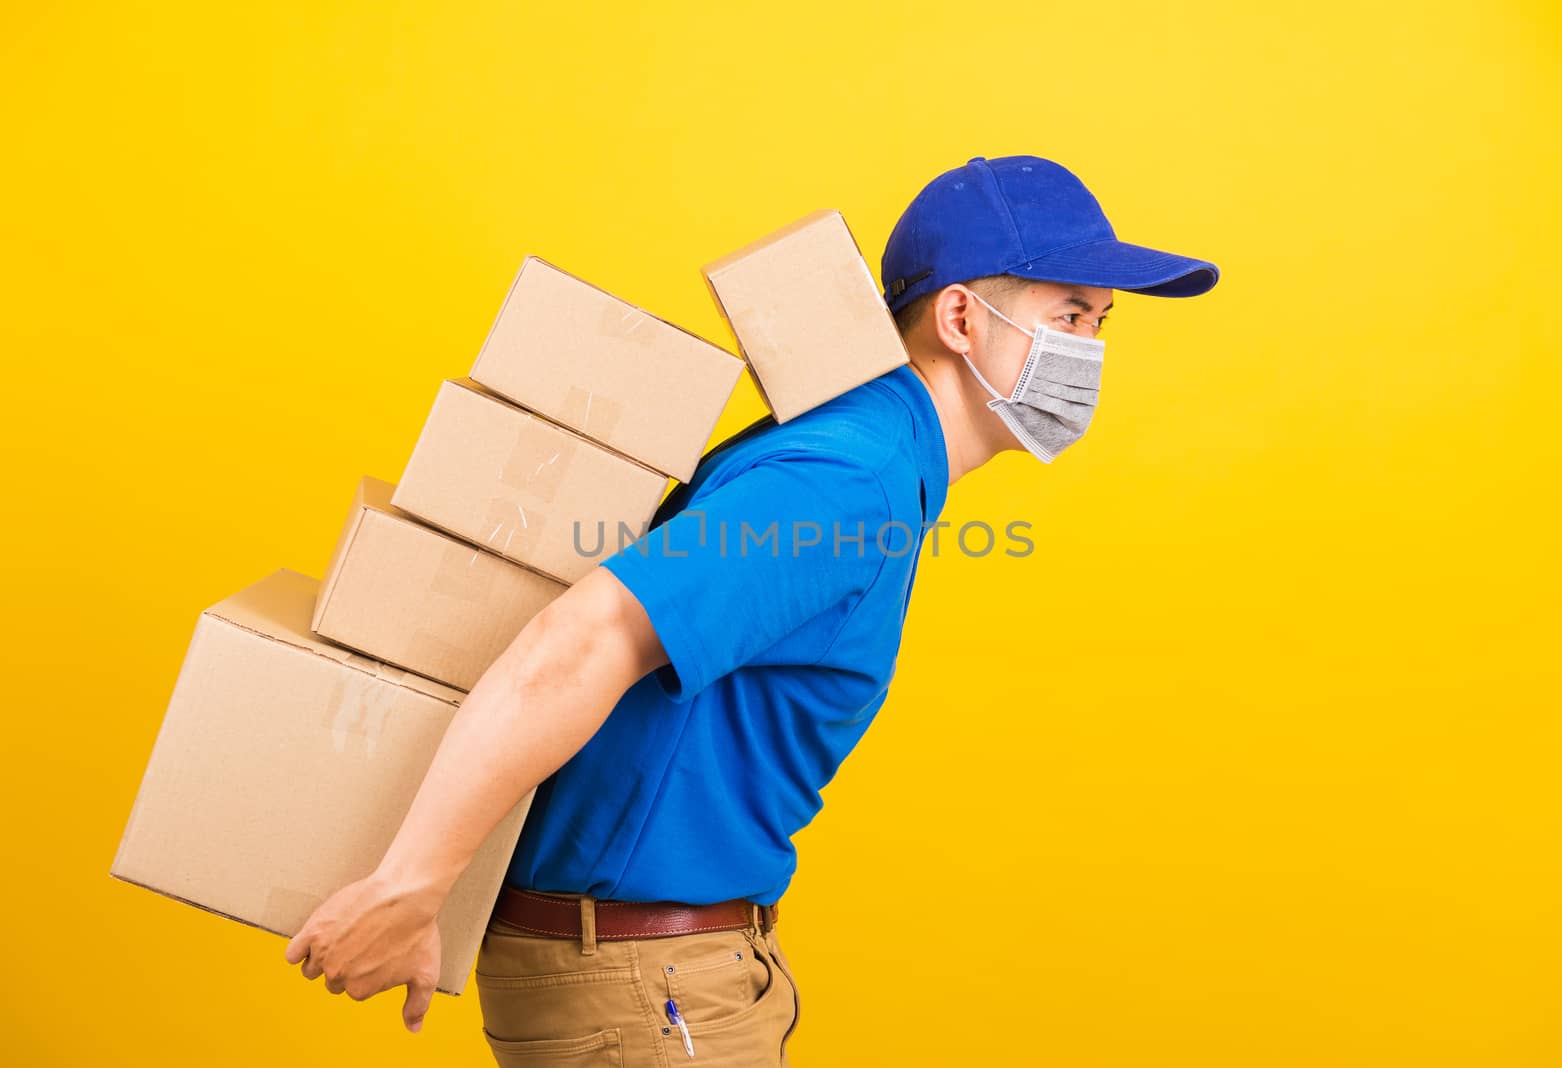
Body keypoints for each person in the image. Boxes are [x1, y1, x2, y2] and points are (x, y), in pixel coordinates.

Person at [283, 154, 1219, 1066]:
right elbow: (588, 635)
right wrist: (410, 886)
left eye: (1100, 322)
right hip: (644, 986)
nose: (1088, 351)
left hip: (672, 973)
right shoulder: (851, 478)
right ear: (962, 319)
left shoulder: (874, 451)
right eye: (1068, 314)